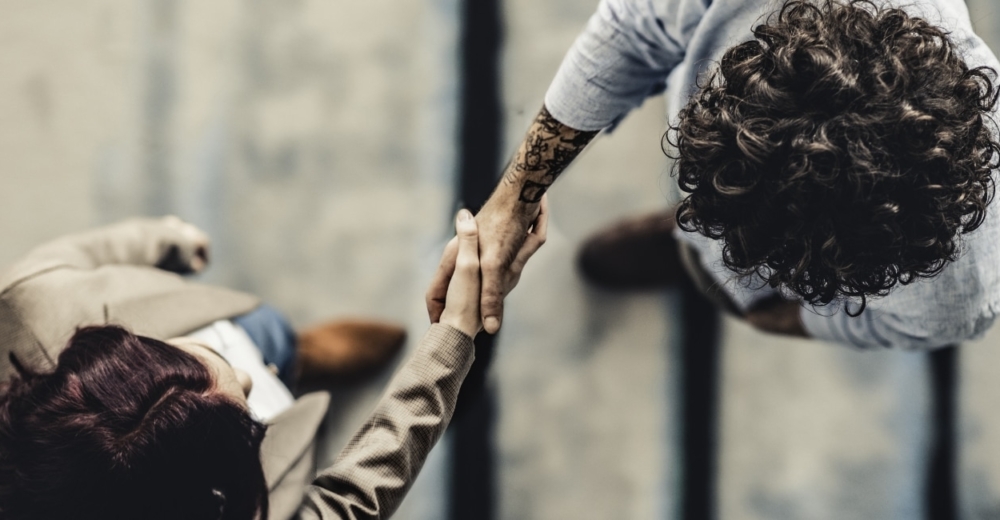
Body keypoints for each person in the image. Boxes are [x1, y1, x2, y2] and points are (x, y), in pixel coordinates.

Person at [428, 0, 1000, 350]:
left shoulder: (960, 289)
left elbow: (911, 326)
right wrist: (513, 201)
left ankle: (703, 267)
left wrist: (783, 319)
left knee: (725, 280)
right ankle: (690, 250)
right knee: (709, 249)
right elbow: (632, 28)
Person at [0, 208, 548, 519]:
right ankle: (294, 364)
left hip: (234, 326)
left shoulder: (31, 302)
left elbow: (73, 256)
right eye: (245, 421)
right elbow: (352, 497)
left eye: (199, 355)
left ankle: (301, 354)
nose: (243, 373)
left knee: (266, 336)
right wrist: (453, 337)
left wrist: (164, 240)